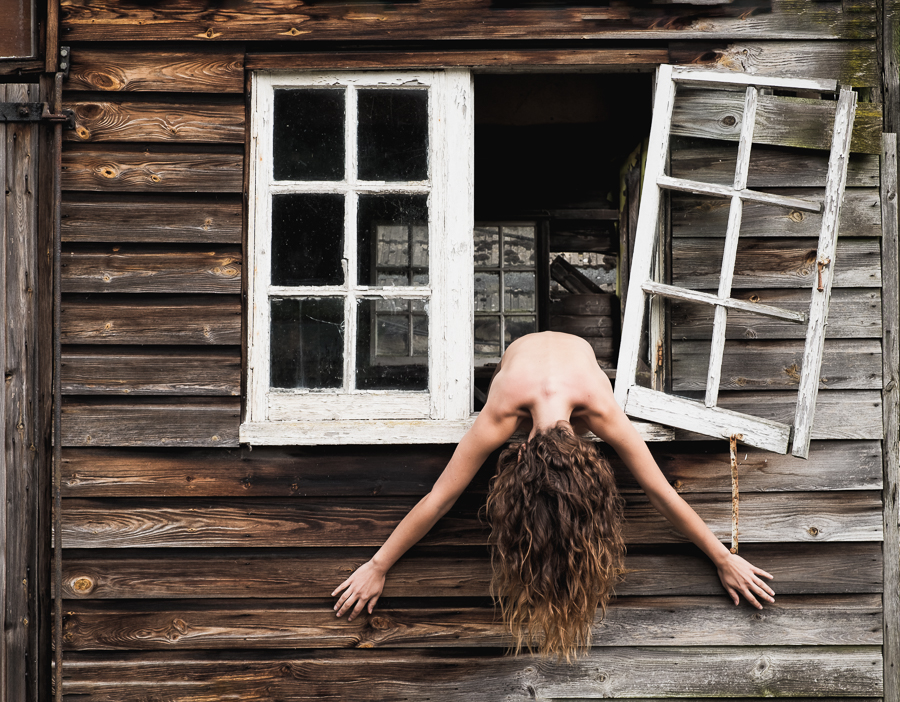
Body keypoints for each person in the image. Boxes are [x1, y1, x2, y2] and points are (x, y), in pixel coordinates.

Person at [332, 331, 775, 658]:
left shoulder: (596, 403)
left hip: (560, 357)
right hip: (522, 359)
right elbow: (660, 492)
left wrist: (724, 558)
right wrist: (378, 565)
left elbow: (440, 496)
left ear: (523, 446)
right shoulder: (505, 406)